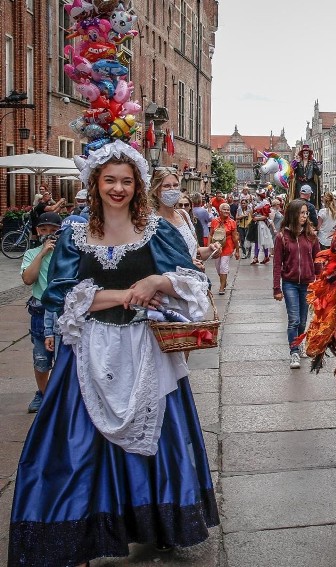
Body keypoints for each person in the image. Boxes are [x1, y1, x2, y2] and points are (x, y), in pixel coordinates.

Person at [7, 141, 219, 566]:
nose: (118, 188)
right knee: (75, 445)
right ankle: (78, 533)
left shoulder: (157, 231)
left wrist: (157, 282)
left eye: (126, 180)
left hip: (144, 350)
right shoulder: (73, 233)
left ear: (137, 184)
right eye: (110, 180)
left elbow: (195, 284)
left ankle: (155, 524)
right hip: (88, 349)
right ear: (95, 183)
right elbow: (61, 295)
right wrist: (123, 293)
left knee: (156, 442)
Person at [20, 212, 62, 414]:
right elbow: (28, 279)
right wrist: (42, 253)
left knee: (63, 355)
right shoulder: (32, 254)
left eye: (53, 231)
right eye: (43, 230)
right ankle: (43, 394)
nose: (48, 234)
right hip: (40, 309)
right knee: (41, 358)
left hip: (62, 311)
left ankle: (60, 394)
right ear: (37, 231)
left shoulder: (66, 253)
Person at [272, 199, 320, 369]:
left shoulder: (311, 235)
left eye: (306, 213)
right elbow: (277, 264)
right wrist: (277, 288)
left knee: (302, 321)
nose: (305, 216)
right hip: (290, 283)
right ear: (293, 214)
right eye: (301, 213)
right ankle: (294, 351)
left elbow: (318, 260)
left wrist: (319, 282)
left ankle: (298, 345)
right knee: (294, 319)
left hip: (307, 283)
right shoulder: (282, 237)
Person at [150, 168, 220, 269]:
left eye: (175, 185)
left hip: (193, 281)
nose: (172, 190)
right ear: (156, 191)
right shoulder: (151, 221)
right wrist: (187, 264)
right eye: (166, 186)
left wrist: (211, 250)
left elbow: (195, 251)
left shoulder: (183, 215)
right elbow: (154, 261)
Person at [209, 202, 240, 294]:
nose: (227, 211)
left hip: (228, 247)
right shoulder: (214, 221)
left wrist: (237, 250)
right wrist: (208, 247)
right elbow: (210, 235)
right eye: (224, 209)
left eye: (228, 209)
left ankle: (221, 287)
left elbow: (235, 237)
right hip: (216, 247)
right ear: (220, 211)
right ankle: (224, 281)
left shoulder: (232, 222)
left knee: (223, 266)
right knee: (218, 267)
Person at [250, 188, 274, 264]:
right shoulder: (256, 203)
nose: (255, 197)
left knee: (263, 241)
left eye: (256, 195)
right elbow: (252, 214)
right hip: (256, 224)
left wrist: (256, 218)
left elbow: (266, 216)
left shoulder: (265, 204)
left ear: (259, 196)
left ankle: (263, 257)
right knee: (258, 241)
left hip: (262, 225)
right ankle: (257, 257)